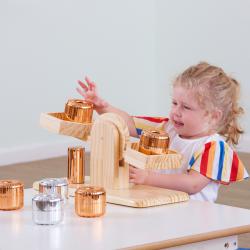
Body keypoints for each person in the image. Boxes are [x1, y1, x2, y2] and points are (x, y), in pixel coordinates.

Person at [76, 62, 249, 203]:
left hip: (193, 217)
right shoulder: (166, 128)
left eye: (186, 107)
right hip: (161, 205)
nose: (176, 112)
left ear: (213, 116)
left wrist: (147, 178)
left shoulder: (214, 147)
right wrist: (100, 106)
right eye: (174, 103)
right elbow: (128, 123)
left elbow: (193, 184)